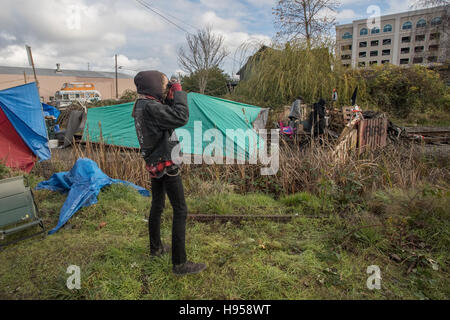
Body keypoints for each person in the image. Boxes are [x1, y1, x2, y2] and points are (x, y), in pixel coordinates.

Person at [132, 70, 206, 276]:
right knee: (180, 209)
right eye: (164, 86)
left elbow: (167, 117)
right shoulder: (152, 107)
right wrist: (180, 92)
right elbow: (180, 117)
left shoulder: (142, 104)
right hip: (166, 163)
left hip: (154, 162)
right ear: (154, 86)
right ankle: (180, 264)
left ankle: (156, 249)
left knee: (158, 205)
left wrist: (171, 96)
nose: (165, 89)